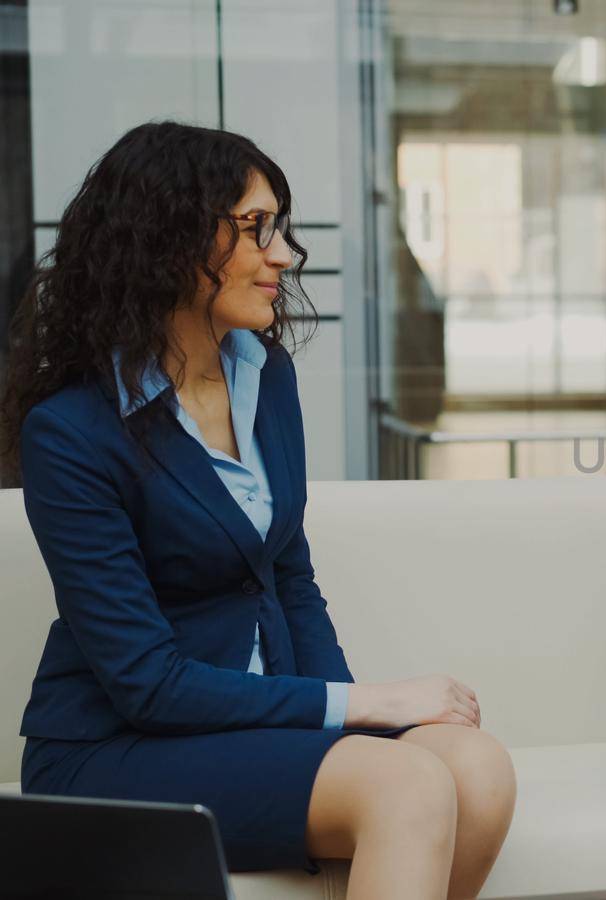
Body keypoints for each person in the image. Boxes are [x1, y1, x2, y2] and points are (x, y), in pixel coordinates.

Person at [1, 122, 516, 900]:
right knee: (406, 787)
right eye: (255, 228)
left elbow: (290, 578)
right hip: (117, 749)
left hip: (251, 730)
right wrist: (369, 705)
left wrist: (358, 725)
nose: (283, 254)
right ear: (169, 241)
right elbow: (147, 683)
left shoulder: (264, 375)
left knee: (478, 769)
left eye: (280, 226)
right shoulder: (72, 433)